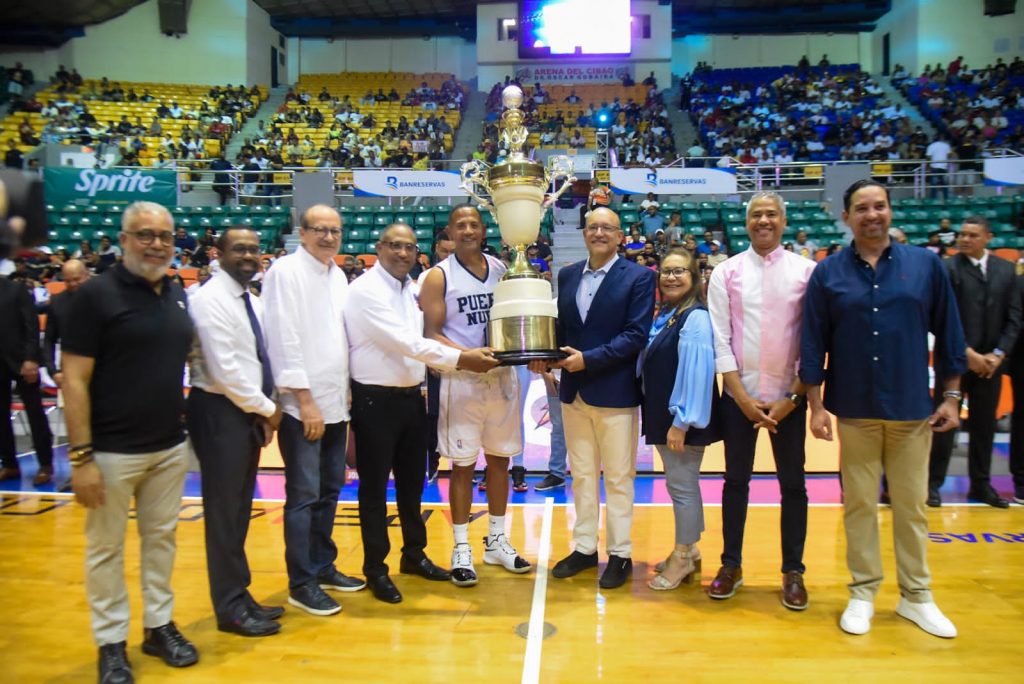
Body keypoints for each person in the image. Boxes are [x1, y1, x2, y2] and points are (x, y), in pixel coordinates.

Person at [800, 179, 966, 639]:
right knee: (858, 505)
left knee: (912, 507)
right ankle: (863, 592)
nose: (871, 215)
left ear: (890, 211)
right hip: (855, 410)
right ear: (847, 217)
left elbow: (950, 333)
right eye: (862, 208)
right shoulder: (828, 273)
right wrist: (815, 405)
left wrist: (952, 396)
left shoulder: (925, 266)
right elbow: (813, 342)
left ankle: (917, 596)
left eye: (879, 206)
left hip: (912, 409)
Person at [61, 202, 199, 683]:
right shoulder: (95, 296)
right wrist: (81, 457)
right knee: (106, 550)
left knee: (161, 542)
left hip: (168, 447)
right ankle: (111, 643)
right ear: (123, 240)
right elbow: (73, 380)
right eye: (145, 235)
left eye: (164, 236)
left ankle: (159, 627)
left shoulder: (176, 293)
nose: (156, 244)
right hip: (110, 452)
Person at [345, 223, 499, 603]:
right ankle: (375, 569)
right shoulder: (365, 291)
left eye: (409, 247)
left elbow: (425, 339)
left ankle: (414, 555)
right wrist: (463, 358)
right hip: (374, 401)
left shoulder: (410, 289)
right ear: (379, 247)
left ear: (418, 253)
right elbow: (410, 343)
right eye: (395, 245)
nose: (402, 253)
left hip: (412, 398)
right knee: (374, 490)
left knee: (413, 484)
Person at [534, 207, 656, 589]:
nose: (599, 232)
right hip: (574, 392)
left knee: (618, 477)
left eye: (607, 227)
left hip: (615, 392)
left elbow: (635, 335)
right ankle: (585, 548)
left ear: (620, 236)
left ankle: (620, 553)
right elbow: (564, 330)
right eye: (593, 227)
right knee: (582, 475)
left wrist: (587, 360)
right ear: (584, 233)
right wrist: (544, 355)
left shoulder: (639, 277)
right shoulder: (568, 274)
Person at [706, 191, 816, 610]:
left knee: (794, 485)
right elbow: (721, 339)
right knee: (735, 482)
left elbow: (812, 340)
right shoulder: (727, 272)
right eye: (756, 215)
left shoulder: (807, 272)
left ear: (783, 221)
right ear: (746, 222)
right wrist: (741, 397)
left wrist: (793, 398)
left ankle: (793, 571)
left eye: (771, 214)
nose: (764, 221)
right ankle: (731, 565)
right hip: (740, 399)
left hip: (790, 400)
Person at [419, 205, 531, 587]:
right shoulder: (437, 276)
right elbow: (430, 333)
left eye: (474, 224)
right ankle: (462, 547)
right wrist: (467, 357)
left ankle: (496, 540)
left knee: (500, 461)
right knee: (463, 466)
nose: (467, 230)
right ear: (450, 232)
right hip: (462, 379)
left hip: (501, 377)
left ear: (484, 231)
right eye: (460, 225)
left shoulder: (502, 270)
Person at [262, 204, 365, 617]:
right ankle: (301, 582)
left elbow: (340, 337)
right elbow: (282, 339)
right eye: (319, 229)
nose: (328, 237)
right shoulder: (284, 272)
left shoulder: (337, 275)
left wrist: (347, 390)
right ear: (302, 233)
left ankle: (323, 566)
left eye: (334, 230)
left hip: (336, 401)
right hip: (301, 406)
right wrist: (304, 400)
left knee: (329, 490)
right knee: (303, 496)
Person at [187, 227, 285, 637]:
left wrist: (263, 409)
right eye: (239, 249)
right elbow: (224, 370)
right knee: (224, 514)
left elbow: (261, 360)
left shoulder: (251, 300)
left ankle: (239, 594)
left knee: (240, 510)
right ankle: (228, 608)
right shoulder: (208, 299)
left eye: (254, 249)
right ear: (218, 253)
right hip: (219, 411)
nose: (248, 255)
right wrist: (269, 409)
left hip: (246, 412)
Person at [641, 249, 720, 591]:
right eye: (666, 271)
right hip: (666, 416)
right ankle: (691, 549)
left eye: (680, 271)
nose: (671, 277)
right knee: (681, 486)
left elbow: (697, 373)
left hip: (680, 421)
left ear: (694, 277)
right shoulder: (669, 314)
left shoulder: (696, 318)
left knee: (683, 487)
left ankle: (683, 555)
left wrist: (682, 422)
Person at [928, 217, 1020, 508]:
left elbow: (1015, 318)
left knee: (984, 426)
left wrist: (999, 354)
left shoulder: (1006, 270)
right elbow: (939, 316)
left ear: (988, 237)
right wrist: (967, 354)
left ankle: (981, 485)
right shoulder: (947, 268)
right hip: (954, 361)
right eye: (962, 235)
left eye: (972, 235)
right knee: (944, 424)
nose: (965, 239)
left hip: (990, 365)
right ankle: (932, 484)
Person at [0, 274, 55, 485]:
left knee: (35, 413)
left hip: (23, 361)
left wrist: (31, 359)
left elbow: (32, 327)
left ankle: (46, 464)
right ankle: (10, 464)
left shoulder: (16, 290)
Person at [43, 259, 90, 394]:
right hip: (70, 367)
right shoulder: (57, 302)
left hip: (103, 367)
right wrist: (53, 371)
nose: (73, 284)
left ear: (87, 275)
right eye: (67, 281)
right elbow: (49, 339)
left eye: (77, 279)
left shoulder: (104, 298)